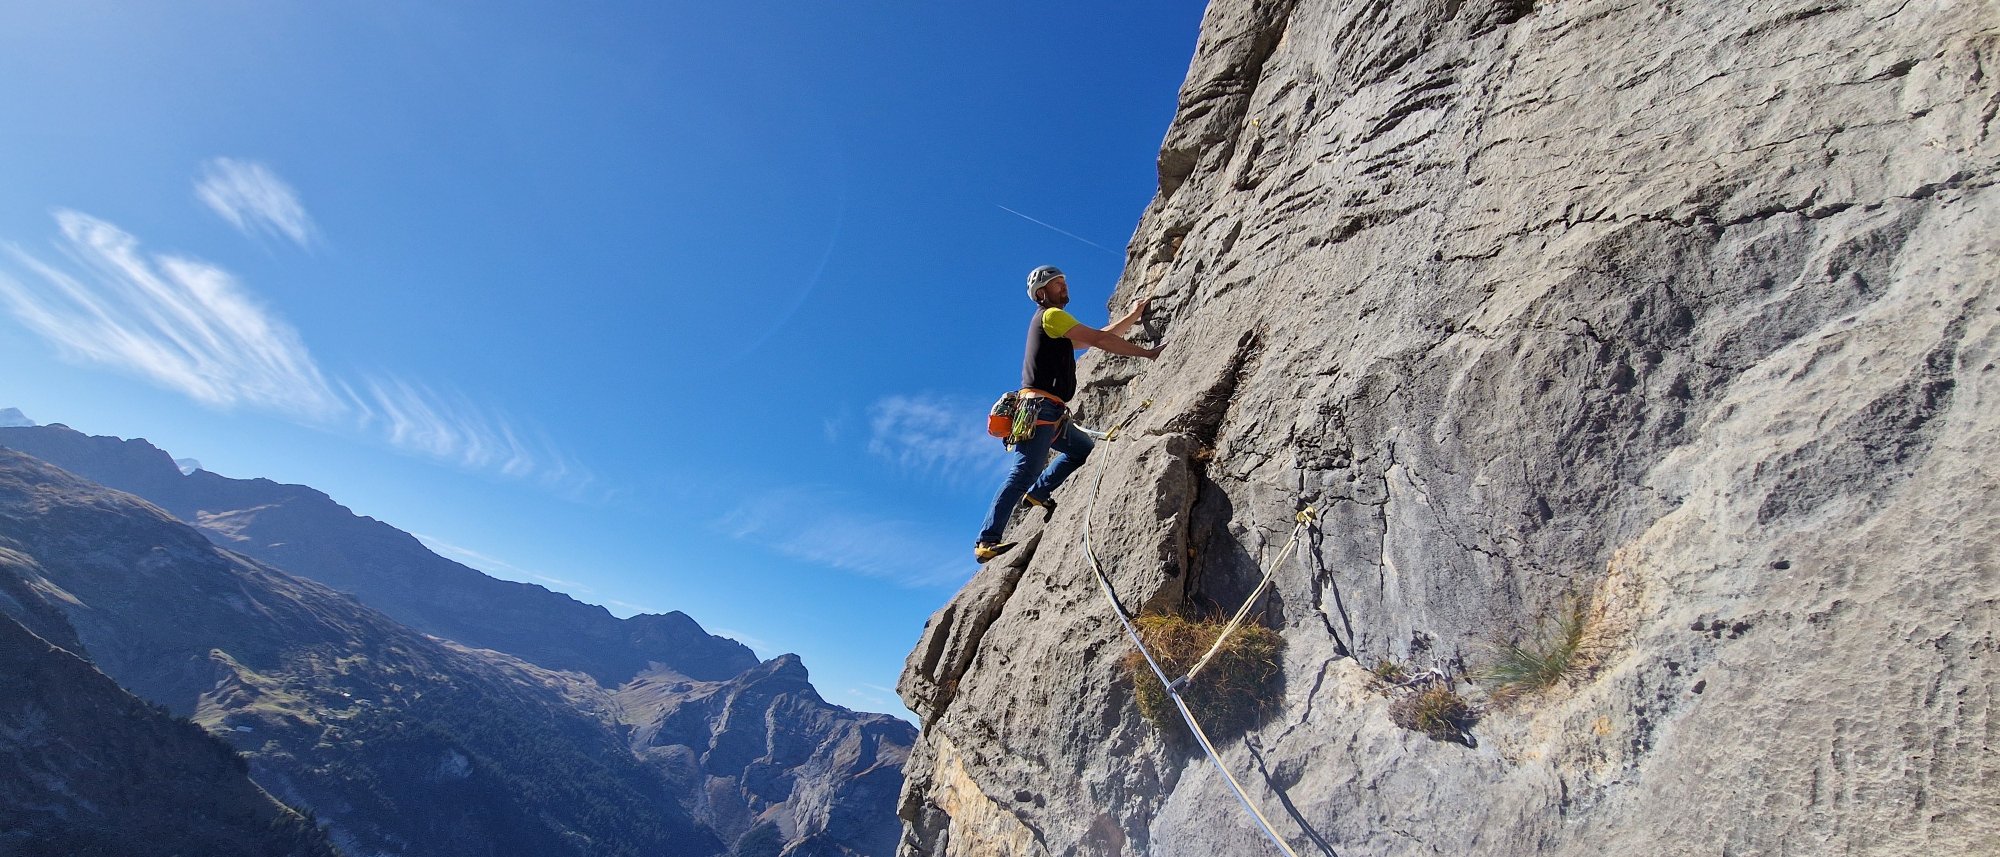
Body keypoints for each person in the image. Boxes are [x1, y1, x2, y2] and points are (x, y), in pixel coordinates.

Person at [976, 265, 1163, 561]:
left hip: (1051, 412)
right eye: (1056, 283)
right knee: (1024, 470)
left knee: (1082, 450)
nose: (1064, 287)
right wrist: (1147, 353)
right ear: (1041, 293)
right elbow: (1101, 341)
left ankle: (1038, 493)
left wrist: (1133, 316)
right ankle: (987, 540)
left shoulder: (1054, 326)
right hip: (1040, 410)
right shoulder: (1051, 316)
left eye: (1064, 282)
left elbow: (1097, 336)